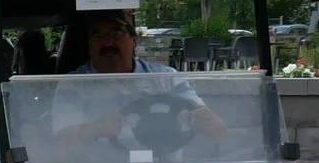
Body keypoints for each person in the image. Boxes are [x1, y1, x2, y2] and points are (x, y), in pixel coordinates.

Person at [48, 9, 226, 152]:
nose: (108, 42)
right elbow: (63, 145)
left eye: (117, 34)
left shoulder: (167, 78)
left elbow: (213, 126)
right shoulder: (72, 85)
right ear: (89, 44)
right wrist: (95, 129)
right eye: (98, 37)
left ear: (134, 41)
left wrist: (209, 122)